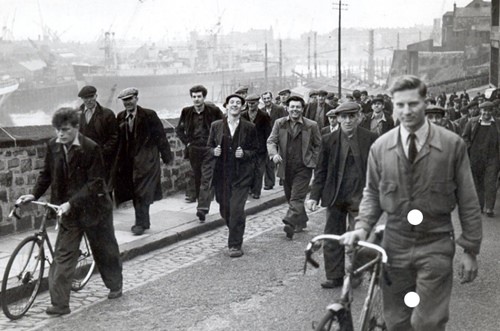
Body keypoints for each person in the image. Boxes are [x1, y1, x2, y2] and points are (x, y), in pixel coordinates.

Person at [340, 75, 482, 331]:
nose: (407, 111)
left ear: (424, 103)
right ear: (393, 105)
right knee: (397, 322)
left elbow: (469, 200)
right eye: (400, 104)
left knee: (427, 322)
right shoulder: (381, 147)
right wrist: (362, 227)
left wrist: (470, 249)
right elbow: (372, 193)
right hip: (395, 246)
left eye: (413, 103)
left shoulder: (451, 146)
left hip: (436, 242)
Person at [17, 107, 123, 315]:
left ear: (76, 127)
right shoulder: (53, 146)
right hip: (69, 213)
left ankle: (115, 285)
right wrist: (34, 195)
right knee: (63, 256)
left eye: (65, 130)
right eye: (57, 130)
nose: (60, 134)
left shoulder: (91, 148)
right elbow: (46, 174)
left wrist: (71, 203)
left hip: (95, 210)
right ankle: (60, 304)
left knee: (105, 250)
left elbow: (94, 183)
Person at [307, 102, 377, 288]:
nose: (347, 120)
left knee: (358, 237)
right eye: (343, 116)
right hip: (336, 196)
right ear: (337, 118)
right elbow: (320, 170)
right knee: (332, 236)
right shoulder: (328, 139)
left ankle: (355, 272)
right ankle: (334, 276)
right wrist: (314, 195)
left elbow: (377, 169)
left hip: (360, 197)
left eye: (352, 116)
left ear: (359, 117)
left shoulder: (370, 138)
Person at [114, 88, 173, 236]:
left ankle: (139, 223)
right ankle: (143, 221)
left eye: (130, 99)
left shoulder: (149, 115)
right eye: (124, 100)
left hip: (147, 159)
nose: (127, 103)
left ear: (136, 99)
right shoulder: (121, 117)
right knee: (135, 192)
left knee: (143, 191)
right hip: (129, 162)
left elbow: (160, 136)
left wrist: (167, 157)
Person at [206, 94, 257, 257]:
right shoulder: (216, 126)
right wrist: (214, 151)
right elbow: (208, 147)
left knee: (236, 209)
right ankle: (235, 226)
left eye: (238, 103)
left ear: (242, 107)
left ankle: (235, 244)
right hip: (221, 174)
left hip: (241, 175)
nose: (235, 105)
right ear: (226, 106)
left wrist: (245, 154)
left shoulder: (249, 127)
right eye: (231, 103)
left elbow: (256, 150)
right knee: (224, 208)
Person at [267, 95, 321, 239]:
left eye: (298, 107)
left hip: (304, 167)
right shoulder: (280, 123)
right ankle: (301, 221)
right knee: (290, 196)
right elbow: (271, 141)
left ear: (302, 109)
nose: (295, 110)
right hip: (286, 166)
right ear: (287, 108)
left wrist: (312, 160)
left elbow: (318, 145)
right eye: (292, 107)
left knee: (297, 197)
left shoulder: (311, 125)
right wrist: (274, 155)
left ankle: (289, 222)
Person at [175, 85, 224, 203]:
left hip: (209, 147)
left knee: (210, 172)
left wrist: (218, 143)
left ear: (204, 97)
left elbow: (223, 126)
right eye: (194, 97)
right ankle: (198, 197)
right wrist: (187, 142)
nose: (196, 99)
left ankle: (208, 197)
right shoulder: (186, 112)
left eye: (199, 96)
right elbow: (179, 129)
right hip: (194, 147)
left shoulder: (214, 111)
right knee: (196, 173)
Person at [462, 101, 500, 217]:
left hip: (493, 158)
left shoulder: (497, 123)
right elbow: (465, 137)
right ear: (480, 110)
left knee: (490, 182)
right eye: (484, 110)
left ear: (492, 111)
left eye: (489, 110)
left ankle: (489, 207)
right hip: (476, 157)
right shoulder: (472, 122)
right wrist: (469, 148)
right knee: (478, 182)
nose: (486, 113)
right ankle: (479, 205)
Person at [77, 85, 118, 187]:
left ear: (96, 96)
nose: (89, 100)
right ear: (82, 99)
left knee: (102, 187)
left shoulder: (107, 114)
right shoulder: (76, 114)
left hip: (102, 159)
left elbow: (114, 137)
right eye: (86, 98)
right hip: (83, 159)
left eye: (91, 97)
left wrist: (102, 152)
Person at [241, 94, 271, 199]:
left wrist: (268, 146)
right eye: (249, 103)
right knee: (249, 169)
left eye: (253, 103)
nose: (251, 105)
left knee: (259, 170)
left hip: (260, 148)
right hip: (247, 148)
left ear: (258, 103)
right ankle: (250, 188)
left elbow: (268, 132)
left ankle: (256, 191)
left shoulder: (264, 115)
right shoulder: (243, 115)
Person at [261, 91, 287, 190]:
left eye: (268, 98)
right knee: (269, 160)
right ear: (262, 100)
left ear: (271, 98)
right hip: (268, 138)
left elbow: (285, 121)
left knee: (282, 157)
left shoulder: (279, 109)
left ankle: (283, 179)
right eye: (265, 98)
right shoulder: (262, 110)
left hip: (280, 136)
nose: (267, 100)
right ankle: (269, 183)